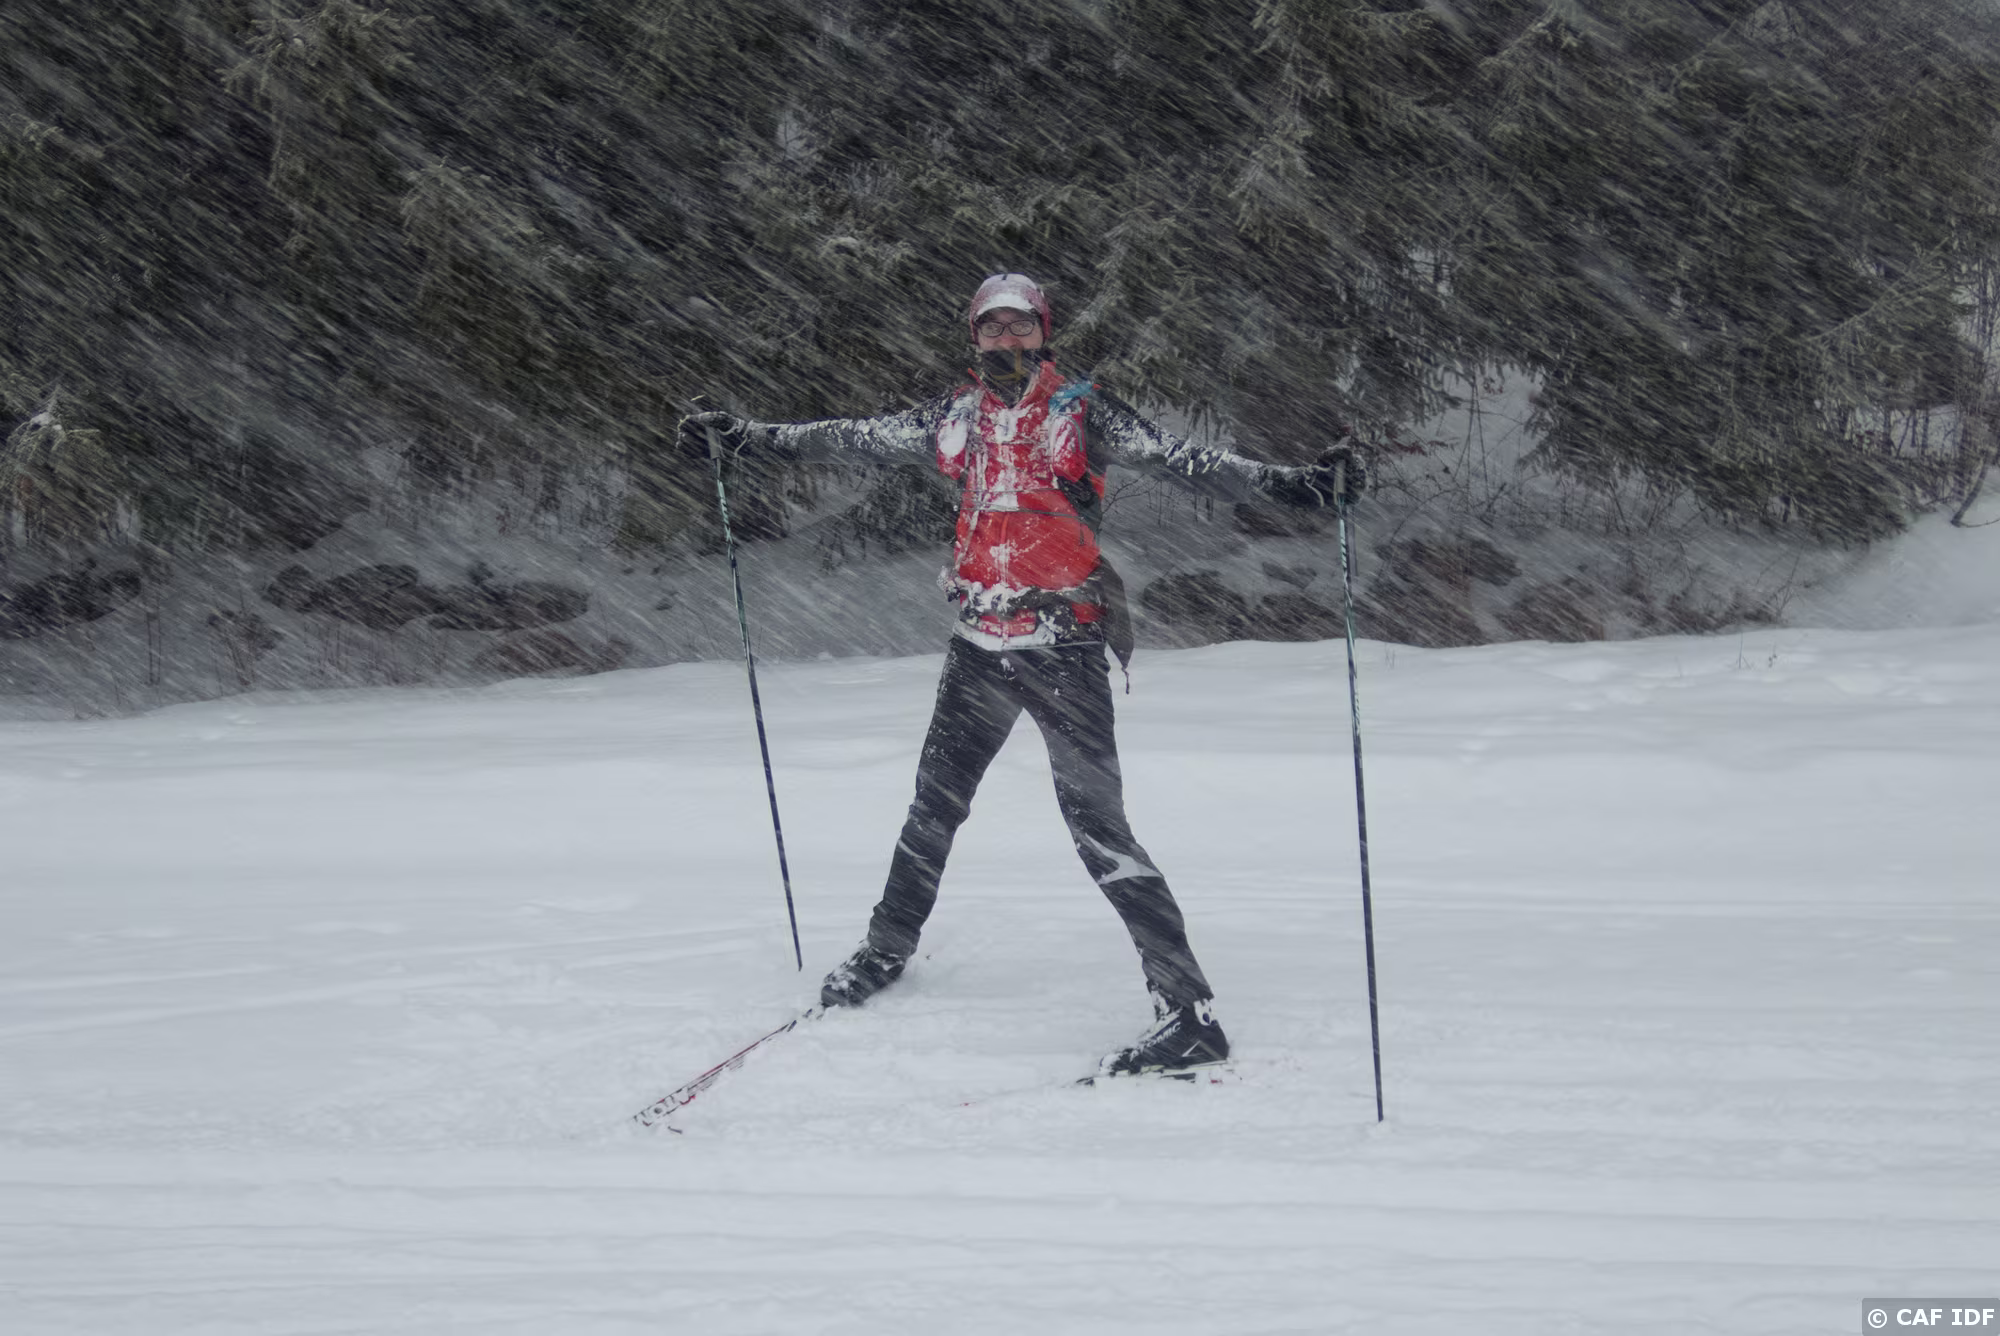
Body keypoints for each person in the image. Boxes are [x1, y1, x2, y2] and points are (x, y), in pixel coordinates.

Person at [680, 273, 1363, 1075]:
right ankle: (885, 949)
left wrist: (1299, 487)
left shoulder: (1085, 411)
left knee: (1099, 831)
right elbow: (847, 436)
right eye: (991, 327)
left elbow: (1188, 462)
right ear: (974, 337)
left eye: (1020, 326)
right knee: (933, 808)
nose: (1005, 340)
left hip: (1063, 647)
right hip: (978, 645)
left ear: (1044, 332)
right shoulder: (952, 417)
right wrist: (742, 439)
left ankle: (1190, 1016)